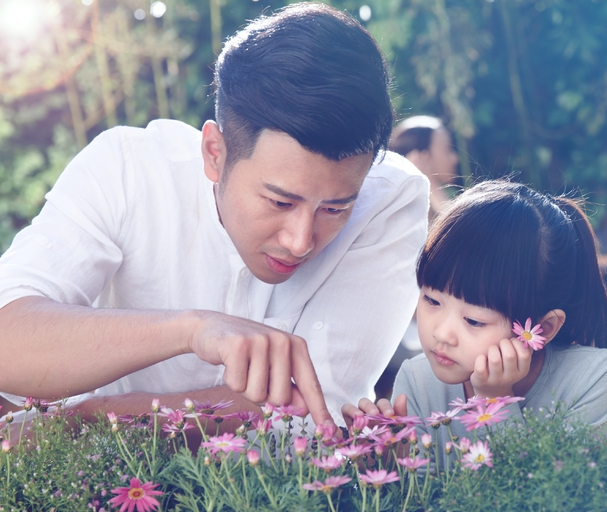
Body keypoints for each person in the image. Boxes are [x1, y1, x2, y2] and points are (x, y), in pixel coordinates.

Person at [0, 4, 428, 430]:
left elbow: (315, 413)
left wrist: (76, 423)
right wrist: (190, 329)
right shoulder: (128, 169)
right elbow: (8, 339)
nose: (301, 241)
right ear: (214, 153)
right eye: (280, 202)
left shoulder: (390, 200)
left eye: (335, 208)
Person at [342, 180, 607, 460]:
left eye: (474, 321)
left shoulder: (590, 376)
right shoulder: (418, 380)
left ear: (543, 329)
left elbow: (554, 497)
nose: (442, 334)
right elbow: (422, 502)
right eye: (431, 301)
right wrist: (389, 461)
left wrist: (495, 399)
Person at [389, 116, 459, 220]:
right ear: (422, 157)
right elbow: (461, 226)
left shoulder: (446, 199)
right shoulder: (396, 211)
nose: (455, 159)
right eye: (447, 149)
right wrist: (429, 182)